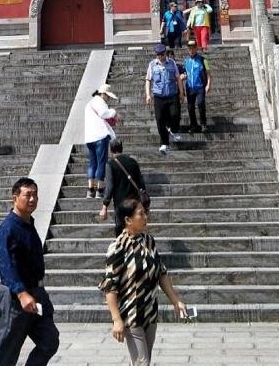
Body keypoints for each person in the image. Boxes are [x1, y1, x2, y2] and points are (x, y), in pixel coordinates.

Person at [99, 197, 188, 366]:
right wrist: (116, 319)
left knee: (142, 360)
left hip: (150, 312)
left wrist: (176, 301)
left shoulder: (148, 241)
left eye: (145, 213)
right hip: (131, 314)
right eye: (141, 214)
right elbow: (110, 286)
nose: (146, 217)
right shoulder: (118, 247)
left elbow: (161, 273)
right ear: (128, 220)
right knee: (142, 362)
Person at [0, 177, 59, 366]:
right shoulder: (8, 228)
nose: (32, 199)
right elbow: (7, 266)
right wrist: (21, 293)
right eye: (27, 195)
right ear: (15, 198)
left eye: (35, 195)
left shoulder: (29, 224)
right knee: (8, 349)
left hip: (37, 294)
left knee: (49, 340)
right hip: (17, 297)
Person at [100, 139, 147, 235]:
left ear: (111, 150)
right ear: (122, 148)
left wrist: (105, 205)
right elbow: (141, 183)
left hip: (120, 205)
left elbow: (110, 186)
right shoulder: (133, 162)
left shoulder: (110, 164)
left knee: (121, 231)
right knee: (135, 230)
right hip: (134, 203)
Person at [145, 44, 184, 154]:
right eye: (158, 55)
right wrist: (148, 95)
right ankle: (164, 143)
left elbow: (178, 78)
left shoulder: (172, 63)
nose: (160, 57)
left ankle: (174, 130)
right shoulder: (152, 64)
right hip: (159, 97)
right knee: (160, 119)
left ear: (165, 54)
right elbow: (148, 80)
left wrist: (181, 93)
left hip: (172, 94)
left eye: (162, 54)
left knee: (175, 114)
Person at [84, 83, 118, 198]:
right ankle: (100, 189)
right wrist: (113, 111)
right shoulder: (99, 101)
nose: (108, 99)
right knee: (101, 162)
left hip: (89, 137)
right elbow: (104, 114)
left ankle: (90, 189)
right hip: (100, 136)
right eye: (108, 96)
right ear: (103, 94)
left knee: (92, 163)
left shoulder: (89, 103)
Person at [183, 39, 211, 133]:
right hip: (189, 87)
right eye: (189, 48)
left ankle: (203, 124)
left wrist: (208, 85)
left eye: (193, 47)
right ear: (188, 49)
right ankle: (193, 125)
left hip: (200, 87)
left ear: (196, 48)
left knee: (200, 103)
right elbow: (185, 72)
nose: (191, 50)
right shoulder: (186, 60)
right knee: (190, 107)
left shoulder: (203, 60)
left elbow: (208, 73)